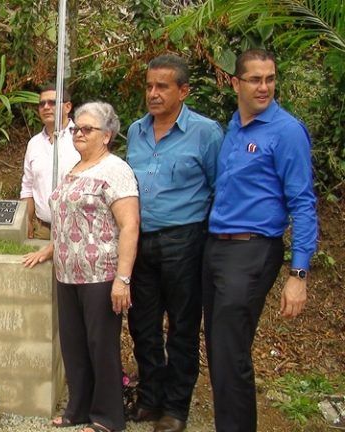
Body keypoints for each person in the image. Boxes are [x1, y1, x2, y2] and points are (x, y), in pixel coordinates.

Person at [203, 49, 317, 432]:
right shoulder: (234, 126)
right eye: (255, 79)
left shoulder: (286, 131)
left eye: (270, 78)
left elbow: (303, 203)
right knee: (219, 350)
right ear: (235, 83)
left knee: (231, 352)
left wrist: (298, 273)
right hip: (216, 246)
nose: (264, 86)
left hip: (253, 251)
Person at [23, 101, 139, 432]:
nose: (79, 134)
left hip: (100, 275)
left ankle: (107, 417)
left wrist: (123, 279)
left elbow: (129, 225)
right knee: (73, 346)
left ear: (107, 135)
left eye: (87, 129)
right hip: (68, 273)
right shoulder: (74, 167)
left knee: (100, 347)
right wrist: (51, 248)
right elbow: (69, 220)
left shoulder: (115, 170)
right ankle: (79, 408)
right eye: (76, 129)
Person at [125, 54, 223, 432]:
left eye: (162, 87)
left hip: (185, 241)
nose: (153, 93)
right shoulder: (136, 131)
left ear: (183, 91)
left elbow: (220, 188)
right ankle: (150, 398)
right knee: (143, 325)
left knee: (182, 326)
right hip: (140, 242)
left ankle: (175, 407)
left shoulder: (206, 133)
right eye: (149, 86)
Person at [20, 83, 80, 240]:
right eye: (42, 104)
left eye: (52, 102)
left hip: (76, 229)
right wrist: (26, 220)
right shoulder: (33, 144)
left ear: (67, 107)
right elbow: (28, 186)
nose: (46, 107)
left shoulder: (81, 138)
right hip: (43, 229)